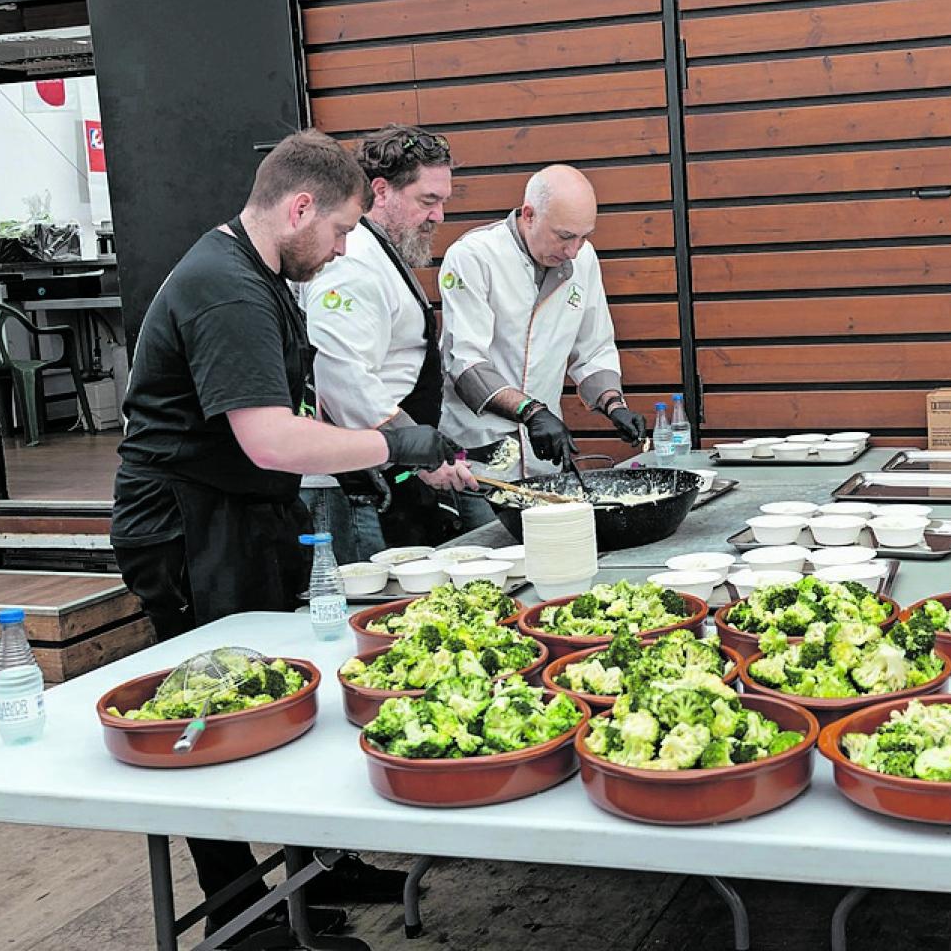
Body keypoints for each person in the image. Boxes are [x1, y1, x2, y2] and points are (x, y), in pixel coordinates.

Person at [111, 130, 460, 945]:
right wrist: (392, 444)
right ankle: (244, 920)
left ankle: (316, 875)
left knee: (286, 693)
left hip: (244, 511)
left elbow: (287, 417)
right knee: (207, 717)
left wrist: (349, 465)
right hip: (187, 525)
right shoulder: (228, 287)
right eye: (340, 230)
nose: (343, 250)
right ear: (298, 207)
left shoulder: (261, 272)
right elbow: (270, 439)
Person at [298, 125, 479, 560]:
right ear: (381, 191)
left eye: (443, 202)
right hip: (356, 486)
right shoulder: (352, 262)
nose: (439, 216)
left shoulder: (379, 252)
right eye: (427, 201)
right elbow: (340, 375)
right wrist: (411, 446)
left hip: (390, 470)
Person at [438, 164, 648, 504]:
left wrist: (614, 404)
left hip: (543, 459)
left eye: (585, 237)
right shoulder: (473, 256)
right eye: (565, 236)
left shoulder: (583, 259)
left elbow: (593, 349)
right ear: (529, 214)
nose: (573, 251)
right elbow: (466, 363)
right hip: (479, 461)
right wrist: (532, 411)